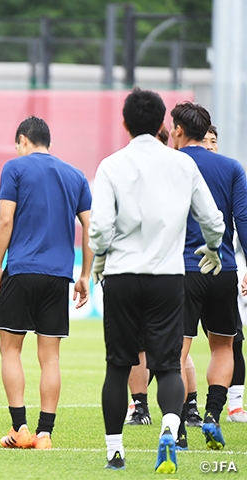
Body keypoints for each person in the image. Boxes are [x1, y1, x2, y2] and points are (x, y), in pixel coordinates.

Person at [89, 88, 224, 473]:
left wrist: (99, 256)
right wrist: (213, 248)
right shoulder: (182, 164)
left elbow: (100, 227)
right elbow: (211, 219)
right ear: (165, 124)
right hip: (167, 276)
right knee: (167, 365)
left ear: (125, 123)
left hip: (122, 275)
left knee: (118, 366)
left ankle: (115, 450)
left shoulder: (112, 165)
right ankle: (169, 426)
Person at [0, 116, 92, 450]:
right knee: (50, 357)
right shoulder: (75, 175)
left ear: (22, 140)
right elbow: (91, 229)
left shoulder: (15, 169)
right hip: (58, 276)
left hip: (21, 271)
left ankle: (20, 429)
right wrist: (84, 275)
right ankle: (45, 434)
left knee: (11, 349)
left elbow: (5, 219)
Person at [171, 103, 247, 450]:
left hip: (184, 269)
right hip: (223, 269)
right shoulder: (232, 167)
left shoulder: (171, 164)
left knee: (177, 351)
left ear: (180, 130)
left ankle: (181, 424)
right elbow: (242, 221)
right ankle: (214, 416)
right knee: (223, 345)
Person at [125, 126, 204, 430]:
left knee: (156, 348)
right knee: (172, 346)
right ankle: (181, 410)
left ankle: (157, 410)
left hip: (148, 270)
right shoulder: (178, 170)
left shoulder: (133, 171)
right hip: (169, 272)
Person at [201, 124, 247, 423]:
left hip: (219, 267)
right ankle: (145, 406)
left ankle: (234, 405)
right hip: (196, 269)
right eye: (203, 140)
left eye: (213, 140)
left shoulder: (228, 172)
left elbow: (241, 218)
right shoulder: (182, 169)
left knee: (233, 340)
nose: (209, 145)